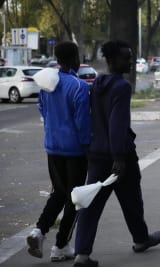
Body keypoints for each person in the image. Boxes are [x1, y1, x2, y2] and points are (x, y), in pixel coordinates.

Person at [74, 40, 160, 267]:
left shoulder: (96, 84)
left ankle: (82, 254)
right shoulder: (121, 87)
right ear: (112, 60)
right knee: (132, 198)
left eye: (131, 57)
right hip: (119, 154)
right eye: (126, 57)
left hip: (97, 153)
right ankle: (141, 239)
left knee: (90, 204)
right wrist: (119, 157)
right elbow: (117, 124)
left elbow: (89, 118)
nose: (130, 61)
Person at [26, 41, 90, 262]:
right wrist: (88, 149)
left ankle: (39, 231)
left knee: (59, 193)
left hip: (52, 148)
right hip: (75, 152)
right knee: (76, 198)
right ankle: (61, 245)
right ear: (74, 59)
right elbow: (83, 124)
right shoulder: (79, 86)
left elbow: (42, 111)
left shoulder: (47, 84)